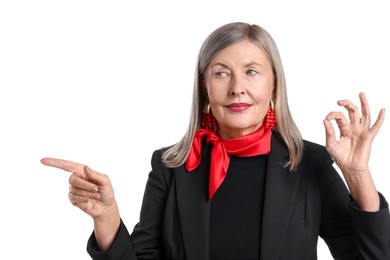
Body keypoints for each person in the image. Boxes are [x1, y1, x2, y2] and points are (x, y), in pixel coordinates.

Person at [41, 22, 390, 259]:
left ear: (274, 86)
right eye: (221, 73)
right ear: (205, 87)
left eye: (251, 71)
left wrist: (359, 175)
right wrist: (106, 217)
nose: (237, 86)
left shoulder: (309, 162)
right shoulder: (170, 165)